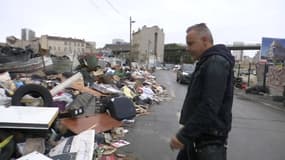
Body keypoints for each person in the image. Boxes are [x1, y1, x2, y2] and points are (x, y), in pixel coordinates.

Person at [170, 23, 235, 160]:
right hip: (197, 138)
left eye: (191, 44)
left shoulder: (216, 62)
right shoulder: (207, 62)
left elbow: (209, 106)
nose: (188, 48)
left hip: (208, 143)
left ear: (205, 40)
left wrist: (183, 135)